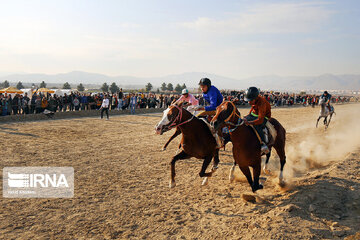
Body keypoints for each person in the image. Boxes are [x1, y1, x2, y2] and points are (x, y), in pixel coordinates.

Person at [243, 87, 271, 154]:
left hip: (263, 117)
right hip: (254, 114)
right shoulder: (254, 99)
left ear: (255, 98)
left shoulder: (262, 103)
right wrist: (247, 116)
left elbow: (260, 120)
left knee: (257, 126)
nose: (249, 102)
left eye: (250, 100)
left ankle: (263, 144)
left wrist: (249, 122)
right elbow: (252, 108)